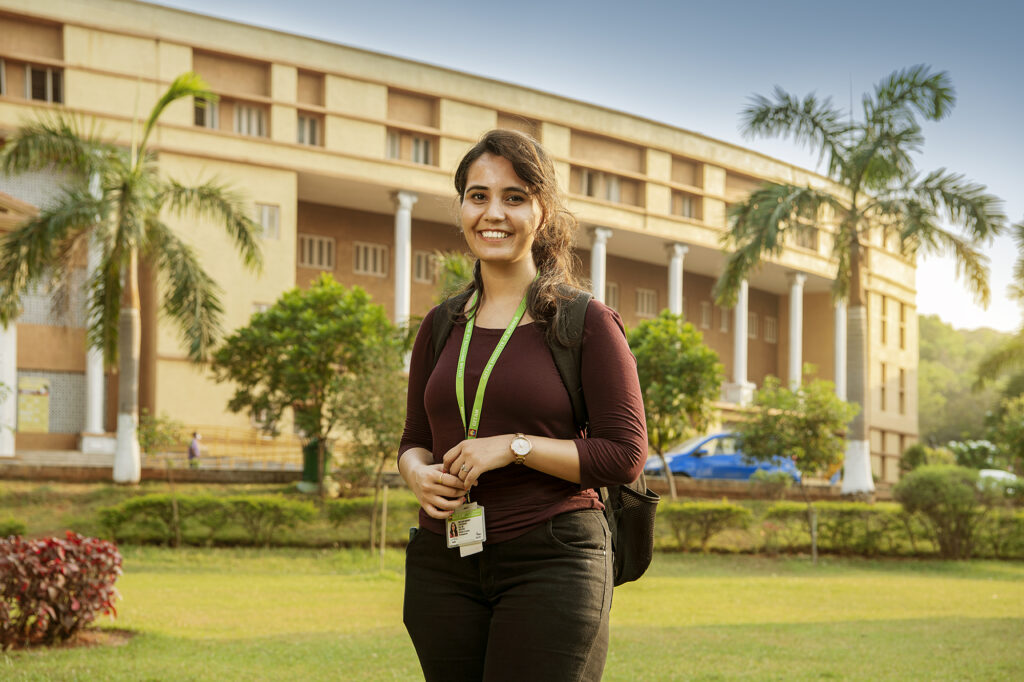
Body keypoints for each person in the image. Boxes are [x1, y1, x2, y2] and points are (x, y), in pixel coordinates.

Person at [398, 129, 648, 681]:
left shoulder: (585, 322)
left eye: (515, 197)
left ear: (543, 212)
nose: (494, 213)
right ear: (462, 206)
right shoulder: (441, 325)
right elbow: (414, 436)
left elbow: (625, 454)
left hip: (553, 557)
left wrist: (514, 449)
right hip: (446, 560)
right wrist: (416, 472)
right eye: (478, 195)